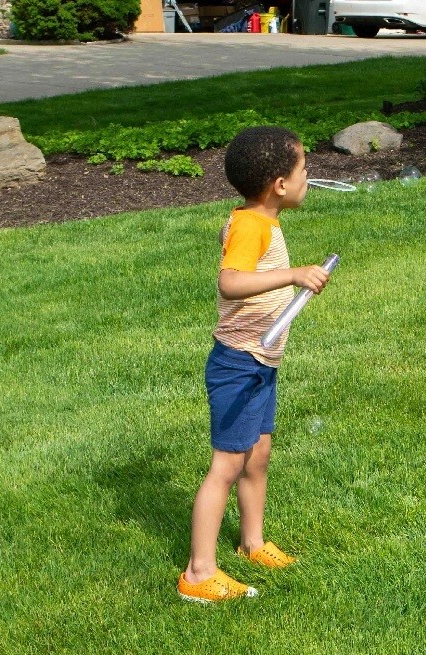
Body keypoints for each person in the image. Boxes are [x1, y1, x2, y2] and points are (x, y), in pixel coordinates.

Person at [177, 126, 332, 603]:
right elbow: (230, 282)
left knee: (257, 457)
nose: (310, 176)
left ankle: (253, 543)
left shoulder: (265, 220)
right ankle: (199, 574)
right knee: (227, 464)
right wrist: (294, 274)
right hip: (238, 364)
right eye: (304, 168)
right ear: (279, 185)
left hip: (261, 360)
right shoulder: (250, 225)